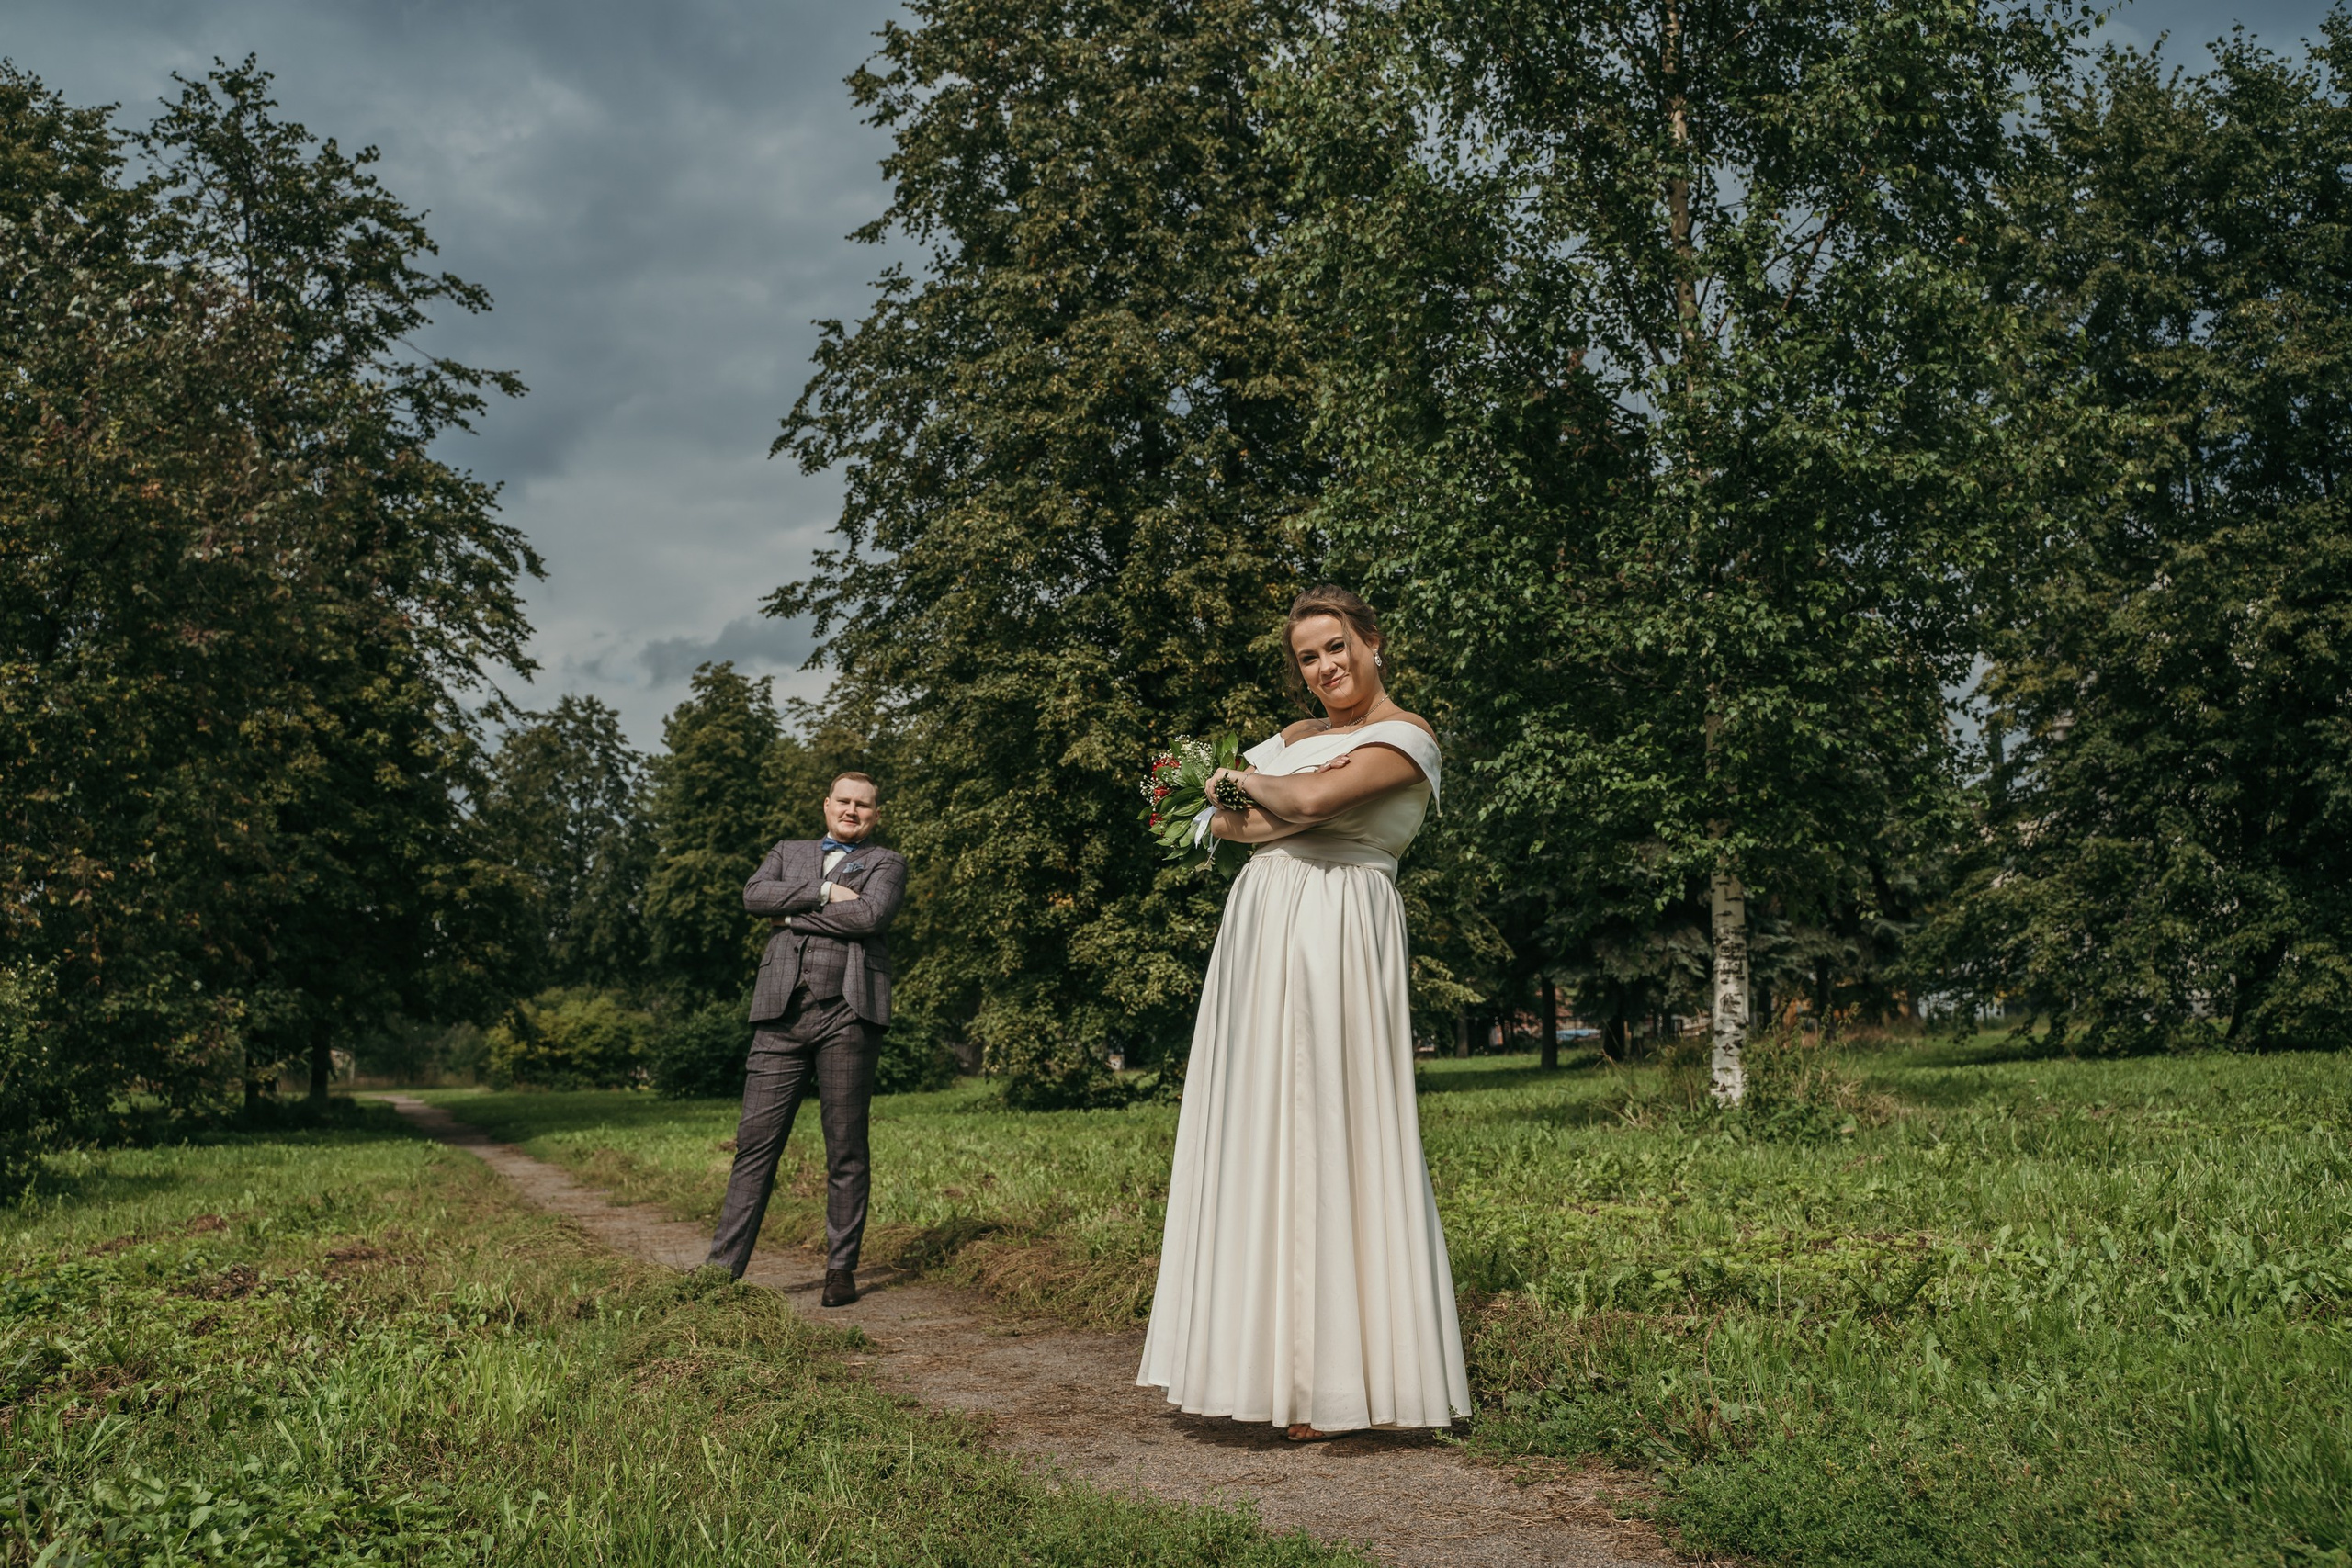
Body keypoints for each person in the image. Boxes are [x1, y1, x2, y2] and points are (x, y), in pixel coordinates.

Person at [1137, 585, 1472, 1440]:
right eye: (1307, 657)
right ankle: (1259, 1370)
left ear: (1372, 642)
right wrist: (1256, 801)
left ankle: (1342, 1383)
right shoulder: (1292, 741)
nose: (1324, 667)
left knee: (1335, 1128)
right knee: (1255, 1129)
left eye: (1336, 647)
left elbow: (1315, 805)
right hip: (1261, 930)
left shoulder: (1408, 737)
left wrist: (1255, 793)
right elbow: (1218, 820)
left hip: (1338, 930)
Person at [705, 772, 906, 1306]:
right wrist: (821, 891)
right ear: (826, 804)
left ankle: (840, 1270)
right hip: (779, 1017)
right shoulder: (786, 851)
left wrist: (791, 915)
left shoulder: (886, 862)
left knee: (845, 1148)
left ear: (875, 815)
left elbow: (870, 915)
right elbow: (753, 896)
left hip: (849, 1014)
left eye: (863, 806)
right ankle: (720, 1273)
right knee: (754, 1146)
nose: (852, 811)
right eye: (844, 801)